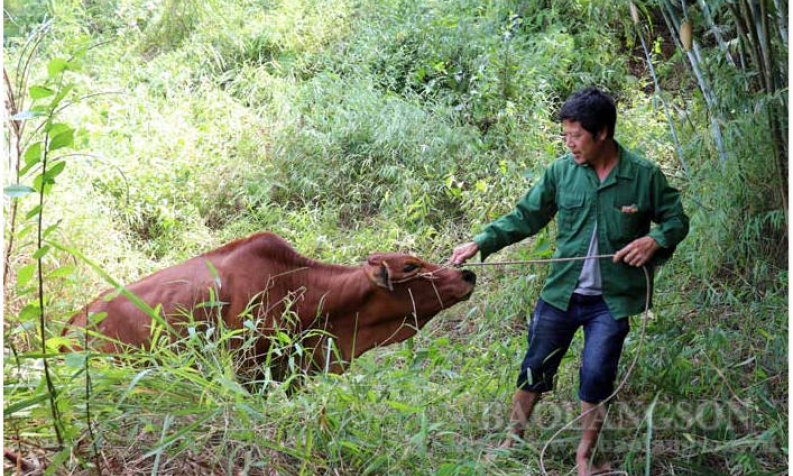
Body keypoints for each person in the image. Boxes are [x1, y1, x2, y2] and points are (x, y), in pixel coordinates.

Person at [449, 88, 689, 475]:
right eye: (565, 135)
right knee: (533, 369)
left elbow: (677, 221)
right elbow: (525, 216)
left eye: (576, 135)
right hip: (561, 294)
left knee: (597, 373)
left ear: (603, 133)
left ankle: (586, 459)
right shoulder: (561, 172)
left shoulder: (643, 176)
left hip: (610, 302)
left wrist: (653, 240)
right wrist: (481, 240)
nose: (569, 143)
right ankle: (512, 442)